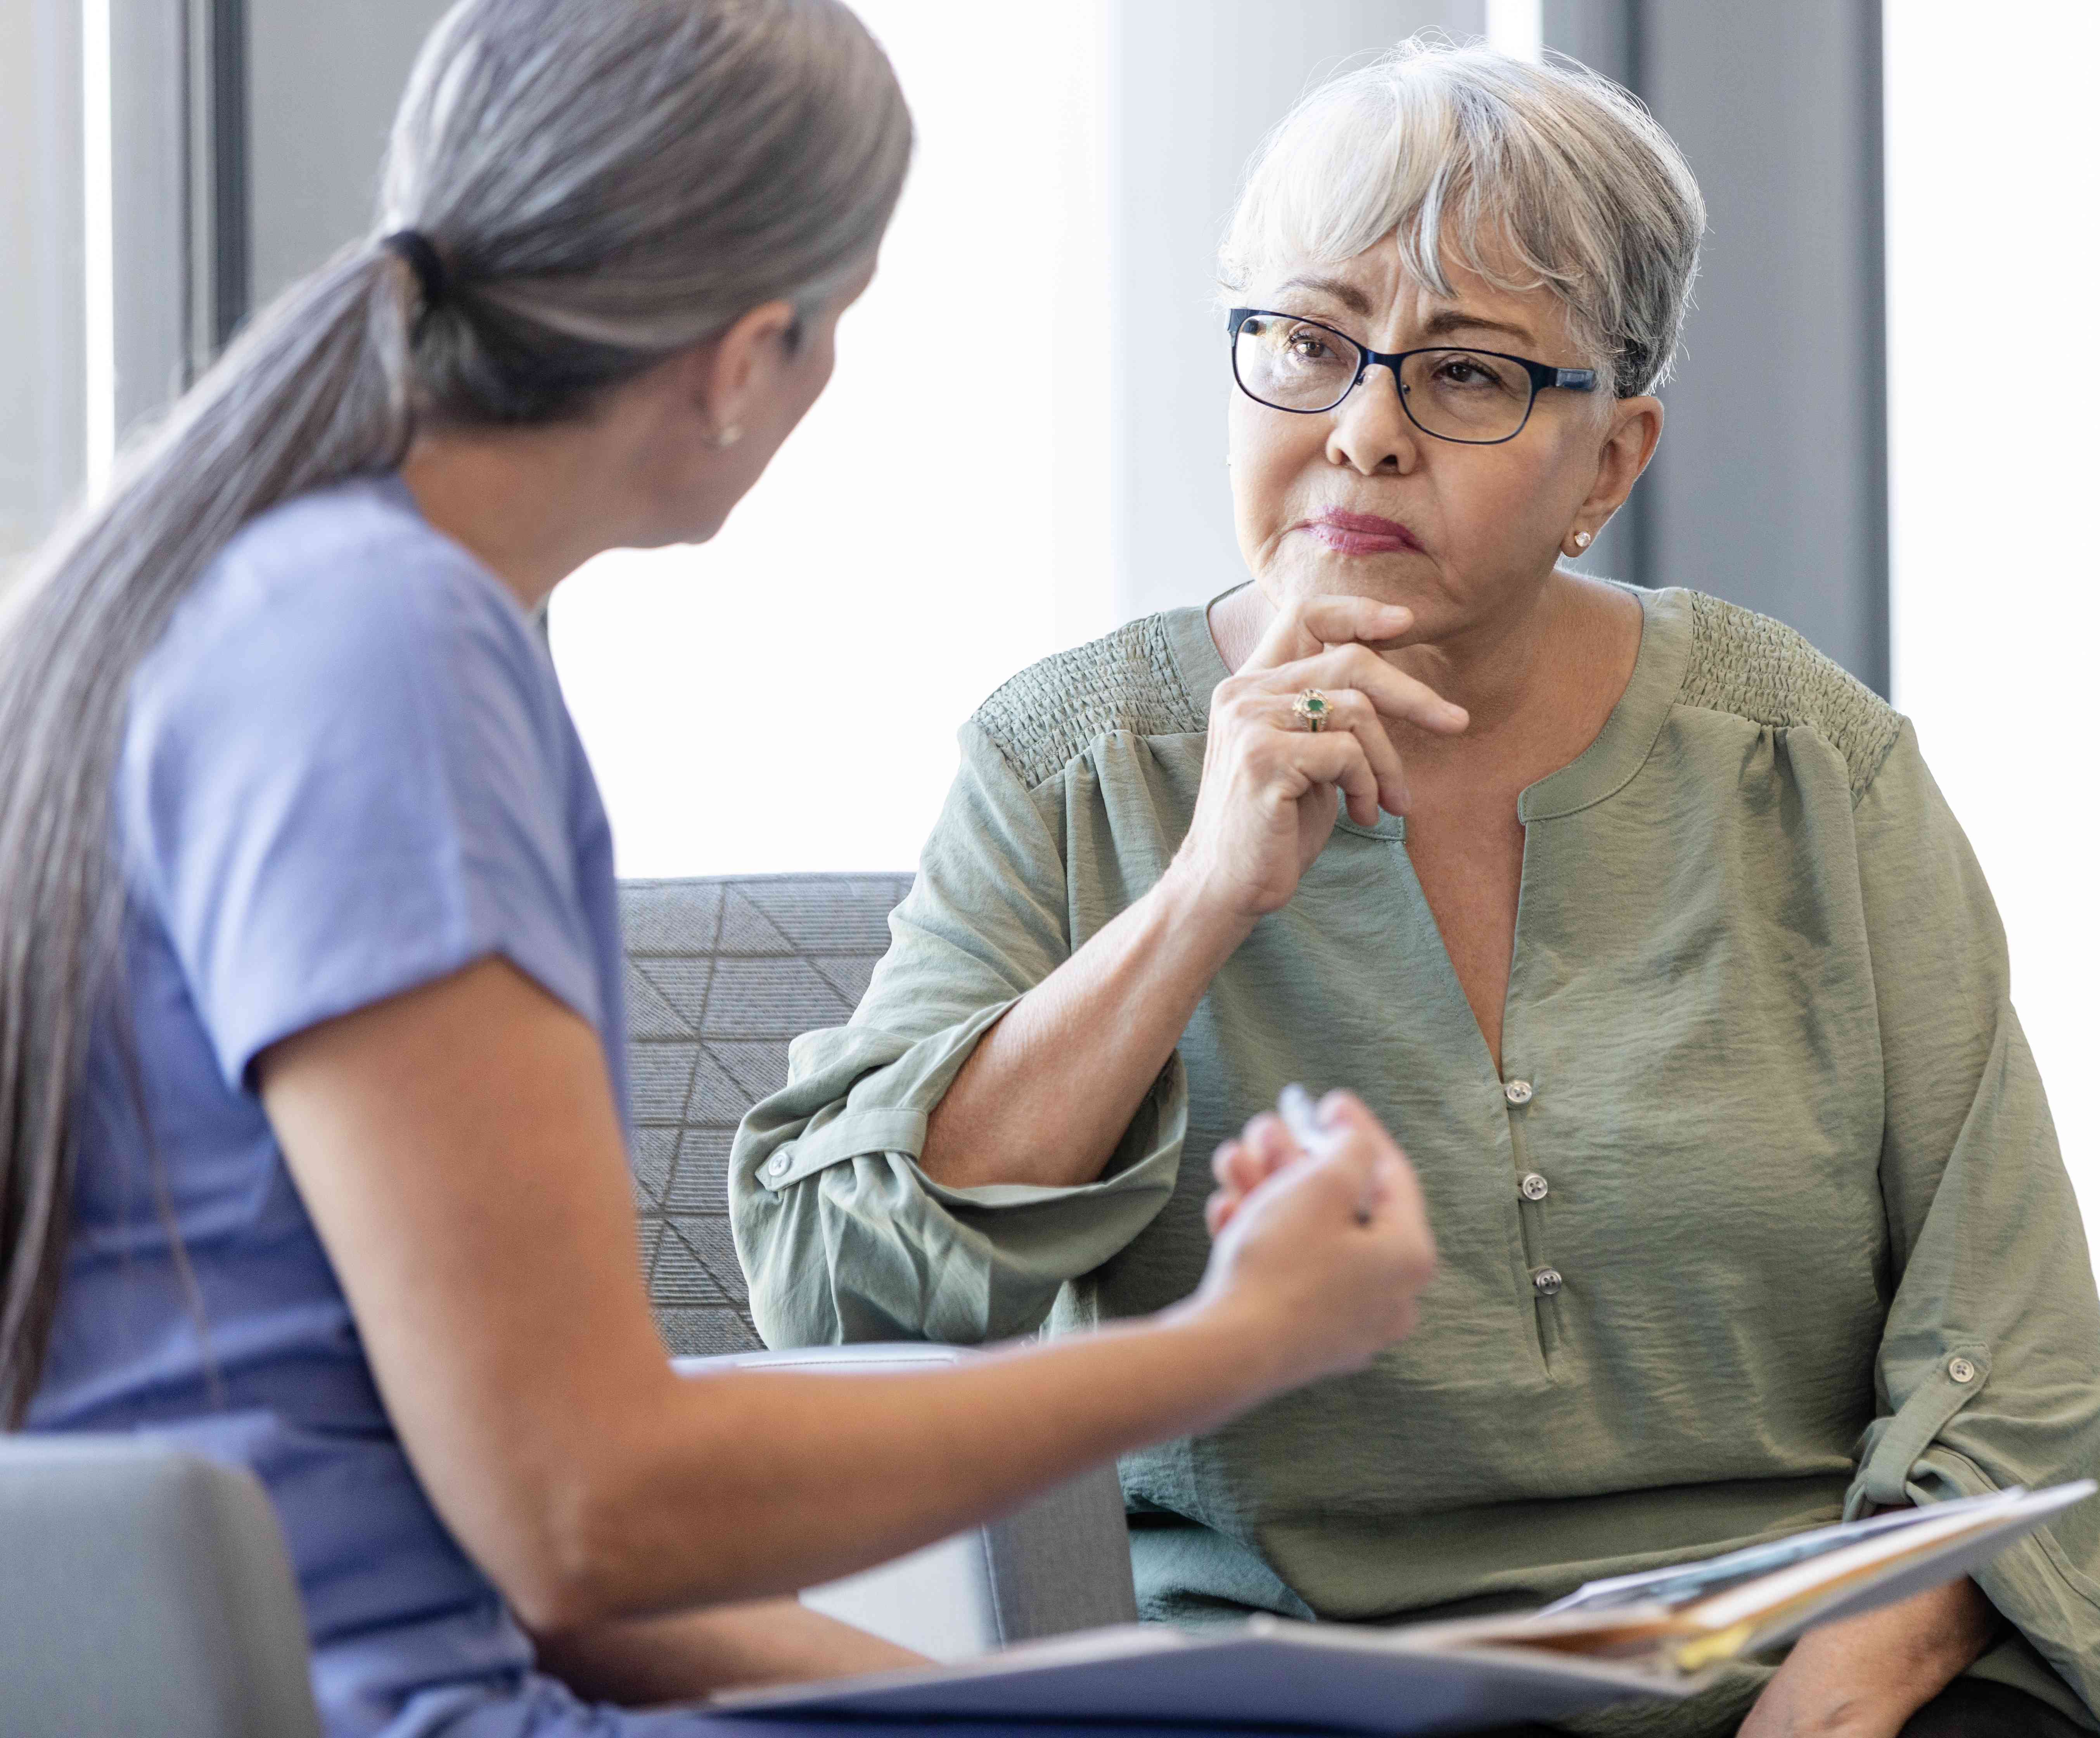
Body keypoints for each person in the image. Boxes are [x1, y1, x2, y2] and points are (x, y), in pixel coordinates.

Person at [0, 4, 1437, 1735]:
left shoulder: (286, 604)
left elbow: (532, 1553)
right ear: (751, 351)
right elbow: (592, 1505)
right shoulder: (386, 660)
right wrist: (1239, 1340)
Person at [732, 40, 2100, 1738]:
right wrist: (1199, 896)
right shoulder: (1068, 764)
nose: (1365, 432)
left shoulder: (1808, 763)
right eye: (1310, 345)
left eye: (1466, 375)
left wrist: (1842, 1696)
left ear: (1611, 463)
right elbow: (836, 1296)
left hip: (1816, 1684)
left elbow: (2014, 1341)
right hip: (1313, 1703)